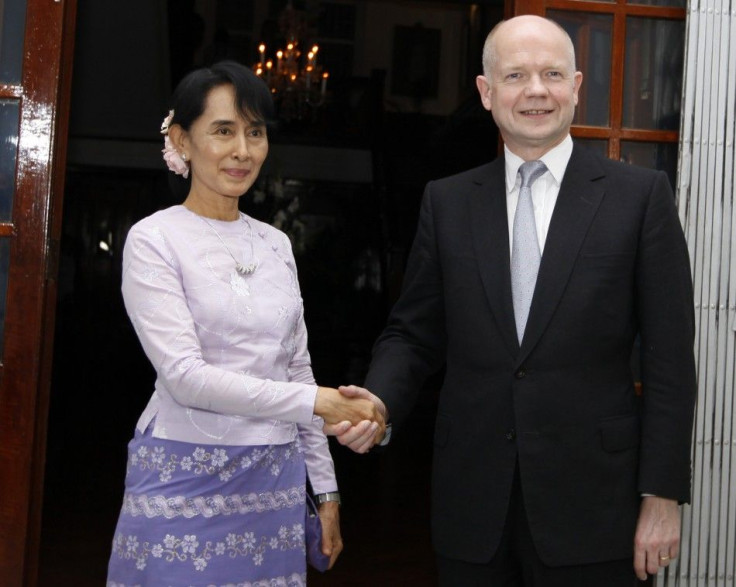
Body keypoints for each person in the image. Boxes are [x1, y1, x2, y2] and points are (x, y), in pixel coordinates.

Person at [331, 15, 697, 586]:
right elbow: (414, 332)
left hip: (597, 508)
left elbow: (671, 360)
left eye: (552, 74)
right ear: (486, 91)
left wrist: (663, 495)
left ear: (577, 87)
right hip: (472, 504)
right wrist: (378, 402)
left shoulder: (638, 199)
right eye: (516, 75)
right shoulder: (447, 203)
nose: (535, 91)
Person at [106, 60, 383, 586]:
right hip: (183, 477)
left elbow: (297, 369)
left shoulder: (276, 244)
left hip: (274, 484)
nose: (243, 150)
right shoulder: (154, 239)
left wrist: (325, 493)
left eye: (255, 133)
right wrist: (318, 401)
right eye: (224, 131)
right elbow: (185, 377)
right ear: (181, 140)